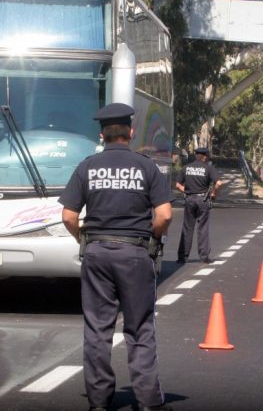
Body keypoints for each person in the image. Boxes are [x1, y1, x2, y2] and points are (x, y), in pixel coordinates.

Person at [58, 103, 173, 411]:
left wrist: (85, 240)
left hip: (96, 254)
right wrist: (153, 240)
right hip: (135, 254)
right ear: (131, 133)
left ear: (102, 135)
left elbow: (69, 216)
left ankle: (98, 402)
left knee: (97, 329)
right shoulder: (146, 167)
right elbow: (164, 215)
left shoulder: (87, 167)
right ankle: (149, 402)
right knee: (140, 328)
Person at [176, 147, 222, 264]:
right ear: (205, 156)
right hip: (203, 200)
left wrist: (186, 192)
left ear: (196, 155)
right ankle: (204, 256)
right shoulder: (208, 168)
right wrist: (213, 194)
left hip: (189, 199)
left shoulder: (186, 168)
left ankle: (182, 257)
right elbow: (219, 183)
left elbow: (177, 185)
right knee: (203, 228)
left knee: (187, 228)